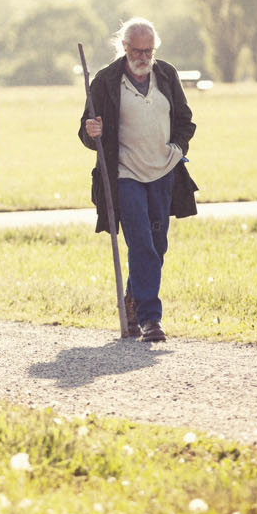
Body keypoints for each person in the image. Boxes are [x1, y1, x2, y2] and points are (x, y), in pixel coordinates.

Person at [79, 17, 197, 342]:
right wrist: (93, 132)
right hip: (125, 175)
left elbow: (185, 121)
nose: (144, 57)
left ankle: (132, 298)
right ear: (125, 47)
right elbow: (86, 130)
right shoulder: (106, 81)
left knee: (157, 245)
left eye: (149, 50)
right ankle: (150, 319)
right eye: (138, 50)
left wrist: (176, 149)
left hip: (163, 171)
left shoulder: (166, 75)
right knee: (141, 243)